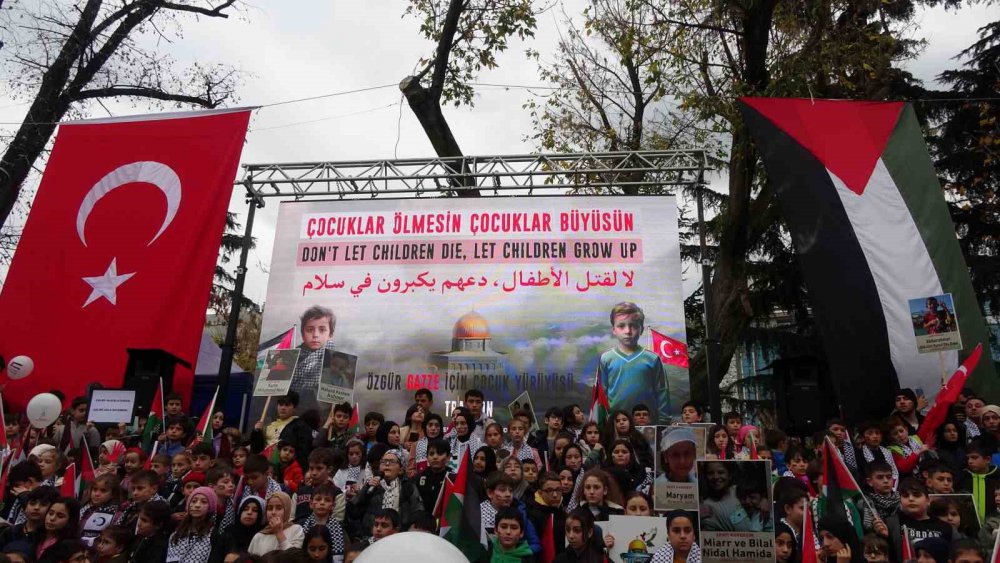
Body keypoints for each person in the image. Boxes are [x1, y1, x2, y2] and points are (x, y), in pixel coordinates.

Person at [597, 302, 669, 423]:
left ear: (641, 329)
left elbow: (662, 392)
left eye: (634, 326)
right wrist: (601, 422)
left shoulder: (652, 359)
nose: (628, 331)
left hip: (647, 423)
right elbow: (601, 394)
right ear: (614, 330)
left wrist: (663, 422)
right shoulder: (606, 358)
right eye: (621, 326)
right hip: (616, 423)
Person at [346, 450, 423, 539]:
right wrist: (366, 489)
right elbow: (352, 512)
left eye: (392, 462)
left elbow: (418, 513)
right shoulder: (372, 487)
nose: (387, 464)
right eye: (383, 461)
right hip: (372, 537)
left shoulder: (408, 488)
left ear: (401, 470)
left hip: (401, 537)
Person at [290, 306, 337, 417]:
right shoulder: (292, 357)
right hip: (293, 412)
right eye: (310, 330)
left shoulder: (335, 359)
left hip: (321, 415)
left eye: (322, 330)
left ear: (330, 334)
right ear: (302, 333)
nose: (315, 335)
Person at [252, 392, 313, 470]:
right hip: (264, 467)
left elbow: (303, 451)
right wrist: (257, 432)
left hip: (285, 469)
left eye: (287, 405)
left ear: (294, 408)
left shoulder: (301, 426)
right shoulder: (268, 426)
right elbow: (256, 450)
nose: (283, 408)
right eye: (281, 404)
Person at [166, 487, 216, 563]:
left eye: (204, 502)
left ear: (210, 508)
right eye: (194, 501)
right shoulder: (175, 535)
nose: (197, 505)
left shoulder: (213, 536)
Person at [211, 496, 265, 563]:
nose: (249, 512)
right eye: (245, 509)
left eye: (255, 510)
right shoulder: (228, 533)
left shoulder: (263, 536)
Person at [37, 497, 81, 562]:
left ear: (70, 520)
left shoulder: (69, 547)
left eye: (60, 516)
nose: (52, 518)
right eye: (50, 513)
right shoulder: (34, 536)